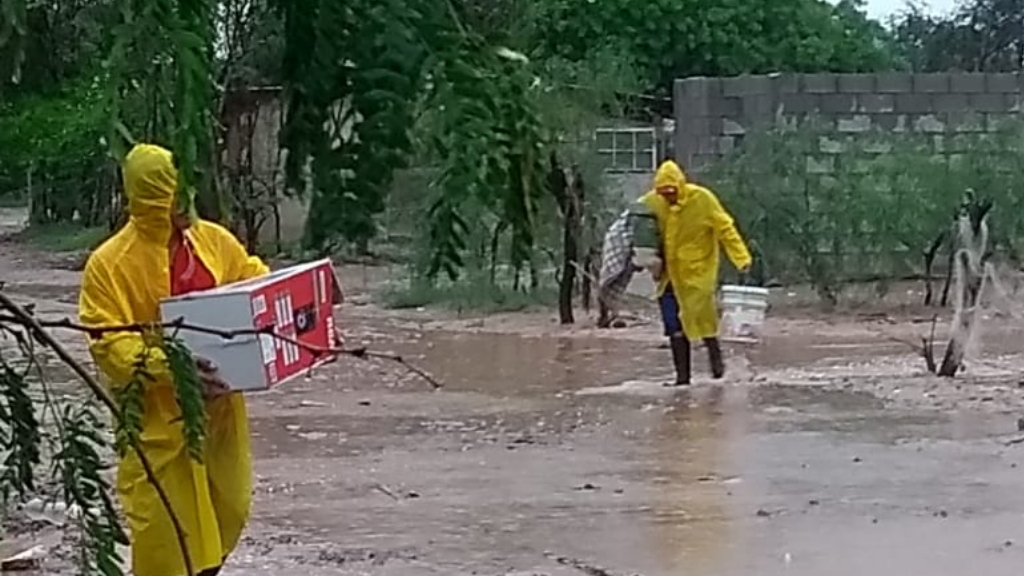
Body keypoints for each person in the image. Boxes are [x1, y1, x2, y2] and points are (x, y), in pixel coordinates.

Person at [79, 143, 269, 576]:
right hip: (155, 425)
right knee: (167, 541)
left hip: (219, 414)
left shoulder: (212, 240)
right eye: (174, 195)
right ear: (153, 199)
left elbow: (251, 279)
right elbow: (111, 347)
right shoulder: (109, 265)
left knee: (227, 512)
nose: (186, 203)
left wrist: (301, 292)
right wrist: (176, 368)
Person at [640, 160, 752, 386]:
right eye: (663, 193)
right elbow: (633, 226)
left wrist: (741, 258)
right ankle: (683, 379)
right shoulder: (650, 204)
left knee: (702, 316)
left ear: (681, 186)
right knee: (673, 323)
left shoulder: (703, 199)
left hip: (697, 271)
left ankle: (715, 358)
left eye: (671, 192)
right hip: (668, 275)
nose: (668, 197)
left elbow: (725, 229)